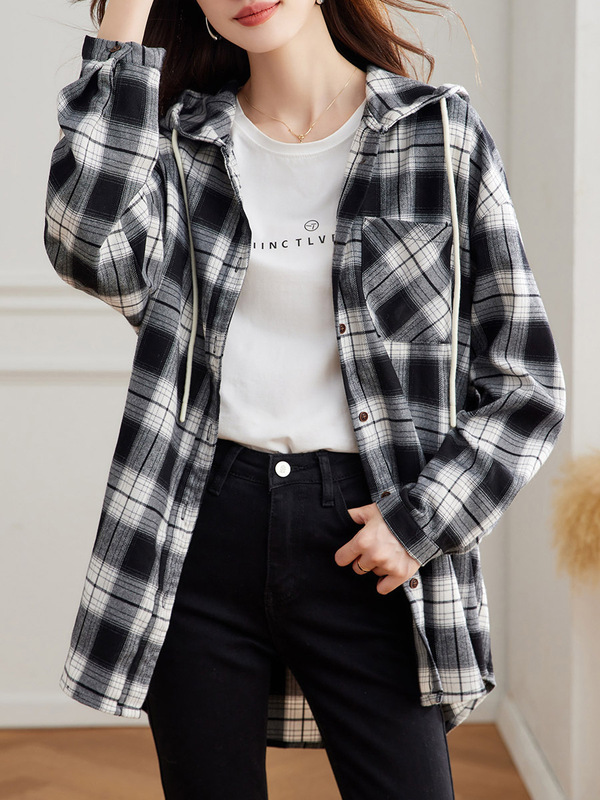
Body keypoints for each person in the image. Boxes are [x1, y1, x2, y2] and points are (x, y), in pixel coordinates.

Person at [43, 0, 566, 798]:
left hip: (369, 533)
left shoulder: (440, 133)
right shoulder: (178, 144)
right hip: (198, 530)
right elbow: (87, 247)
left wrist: (422, 522)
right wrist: (124, 18)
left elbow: (526, 381)